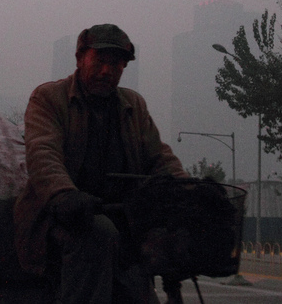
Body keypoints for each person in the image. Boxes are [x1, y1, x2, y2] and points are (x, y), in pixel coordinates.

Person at [14, 24, 188, 304]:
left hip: (124, 220)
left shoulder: (133, 106)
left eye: (116, 65)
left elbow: (159, 157)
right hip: (61, 219)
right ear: (80, 59)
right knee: (98, 232)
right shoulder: (49, 98)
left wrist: (188, 188)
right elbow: (43, 152)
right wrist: (63, 194)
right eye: (100, 62)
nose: (107, 71)